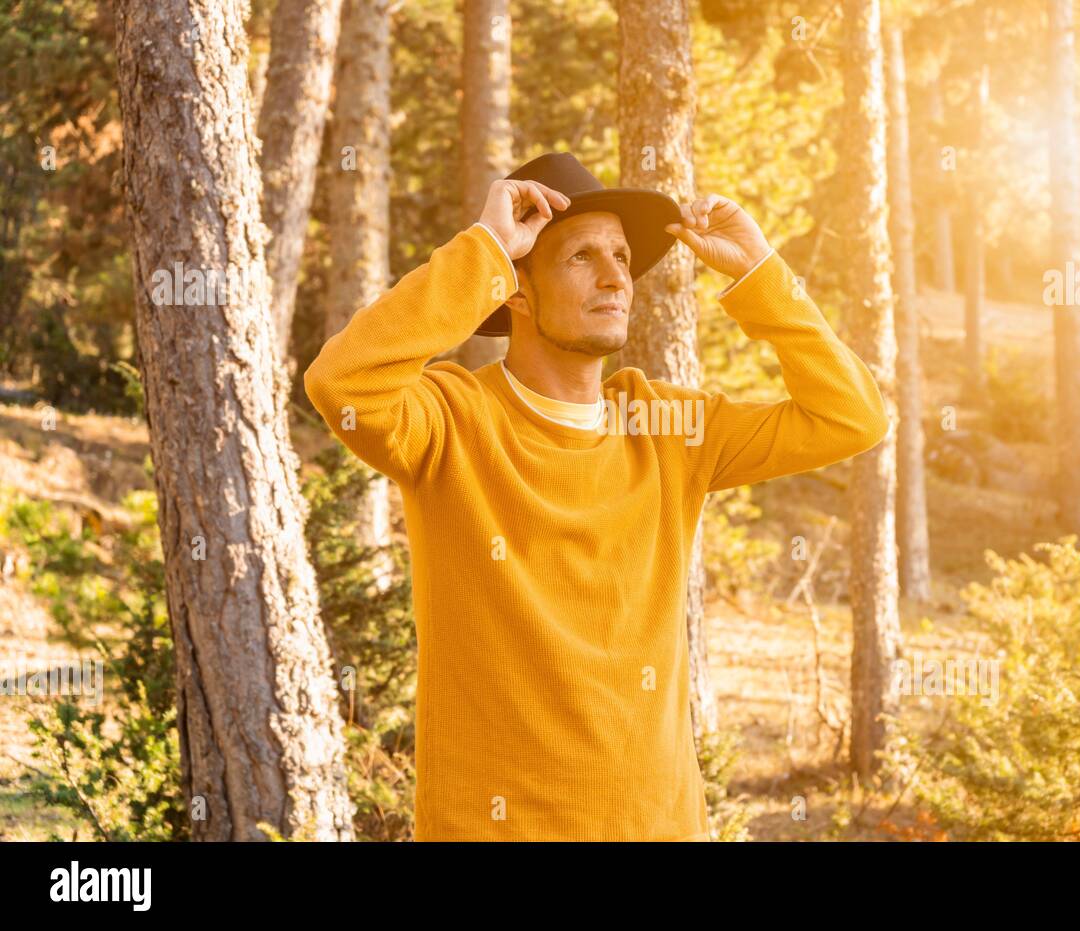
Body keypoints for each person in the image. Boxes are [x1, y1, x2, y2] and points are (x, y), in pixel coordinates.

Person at [303, 151, 890, 841]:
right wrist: (484, 250)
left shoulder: (666, 426)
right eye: (582, 256)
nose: (617, 275)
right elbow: (341, 382)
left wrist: (760, 273)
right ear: (515, 290)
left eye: (621, 255)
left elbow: (851, 416)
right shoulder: (450, 421)